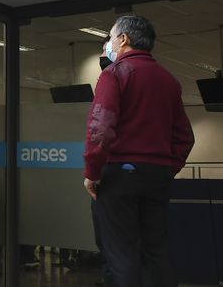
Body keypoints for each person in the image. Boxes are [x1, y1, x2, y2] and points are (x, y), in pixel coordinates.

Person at [83, 15, 194, 287]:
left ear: (124, 39)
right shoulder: (169, 80)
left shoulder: (115, 73)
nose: (109, 44)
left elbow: (101, 128)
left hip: (119, 175)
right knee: (156, 251)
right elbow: (184, 137)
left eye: (110, 37)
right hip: (157, 177)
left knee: (121, 254)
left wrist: (92, 172)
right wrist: (166, 168)